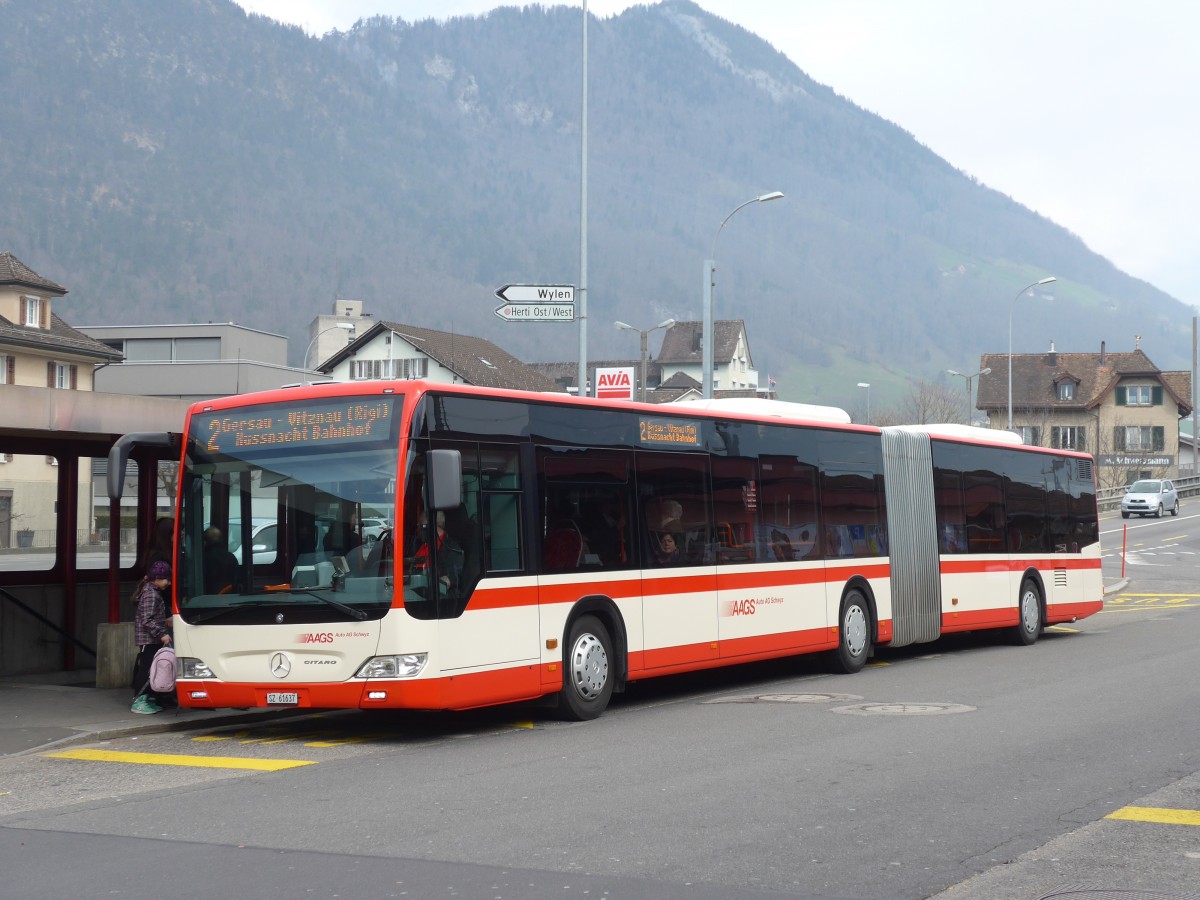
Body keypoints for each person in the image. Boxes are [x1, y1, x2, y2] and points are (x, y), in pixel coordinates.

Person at [130, 560, 174, 715]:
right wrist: (162, 634)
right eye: (166, 579)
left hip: (151, 638)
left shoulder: (150, 591)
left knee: (149, 669)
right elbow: (146, 619)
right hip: (149, 639)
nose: (168, 583)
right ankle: (139, 701)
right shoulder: (151, 594)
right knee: (147, 670)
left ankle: (147, 699)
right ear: (158, 578)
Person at [413, 510, 462, 591]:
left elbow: (451, 579)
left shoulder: (451, 548)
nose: (418, 527)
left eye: (421, 525)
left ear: (433, 526)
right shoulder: (425, 544)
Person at [202, 526, 240, 594]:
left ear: (205, 542)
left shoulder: (201, 558)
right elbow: (236, 581)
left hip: (206, 598)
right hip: (228, 598)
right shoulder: (231, 557)